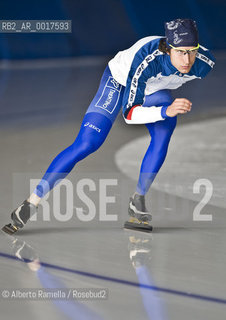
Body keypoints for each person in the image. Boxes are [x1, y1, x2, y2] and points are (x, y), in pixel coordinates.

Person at [2, 18, 215, 234]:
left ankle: (138, 201)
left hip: (152, 89)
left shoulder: (203, 63)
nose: (187, 60)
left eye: (191, 51)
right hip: (120, 82)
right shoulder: (146, 60)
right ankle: (31, 202)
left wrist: (165, 112)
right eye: (180, 52)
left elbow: (185, 67)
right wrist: (163, 111)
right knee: (87, 143)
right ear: (168, 49)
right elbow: (130, 115)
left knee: (164, 132)